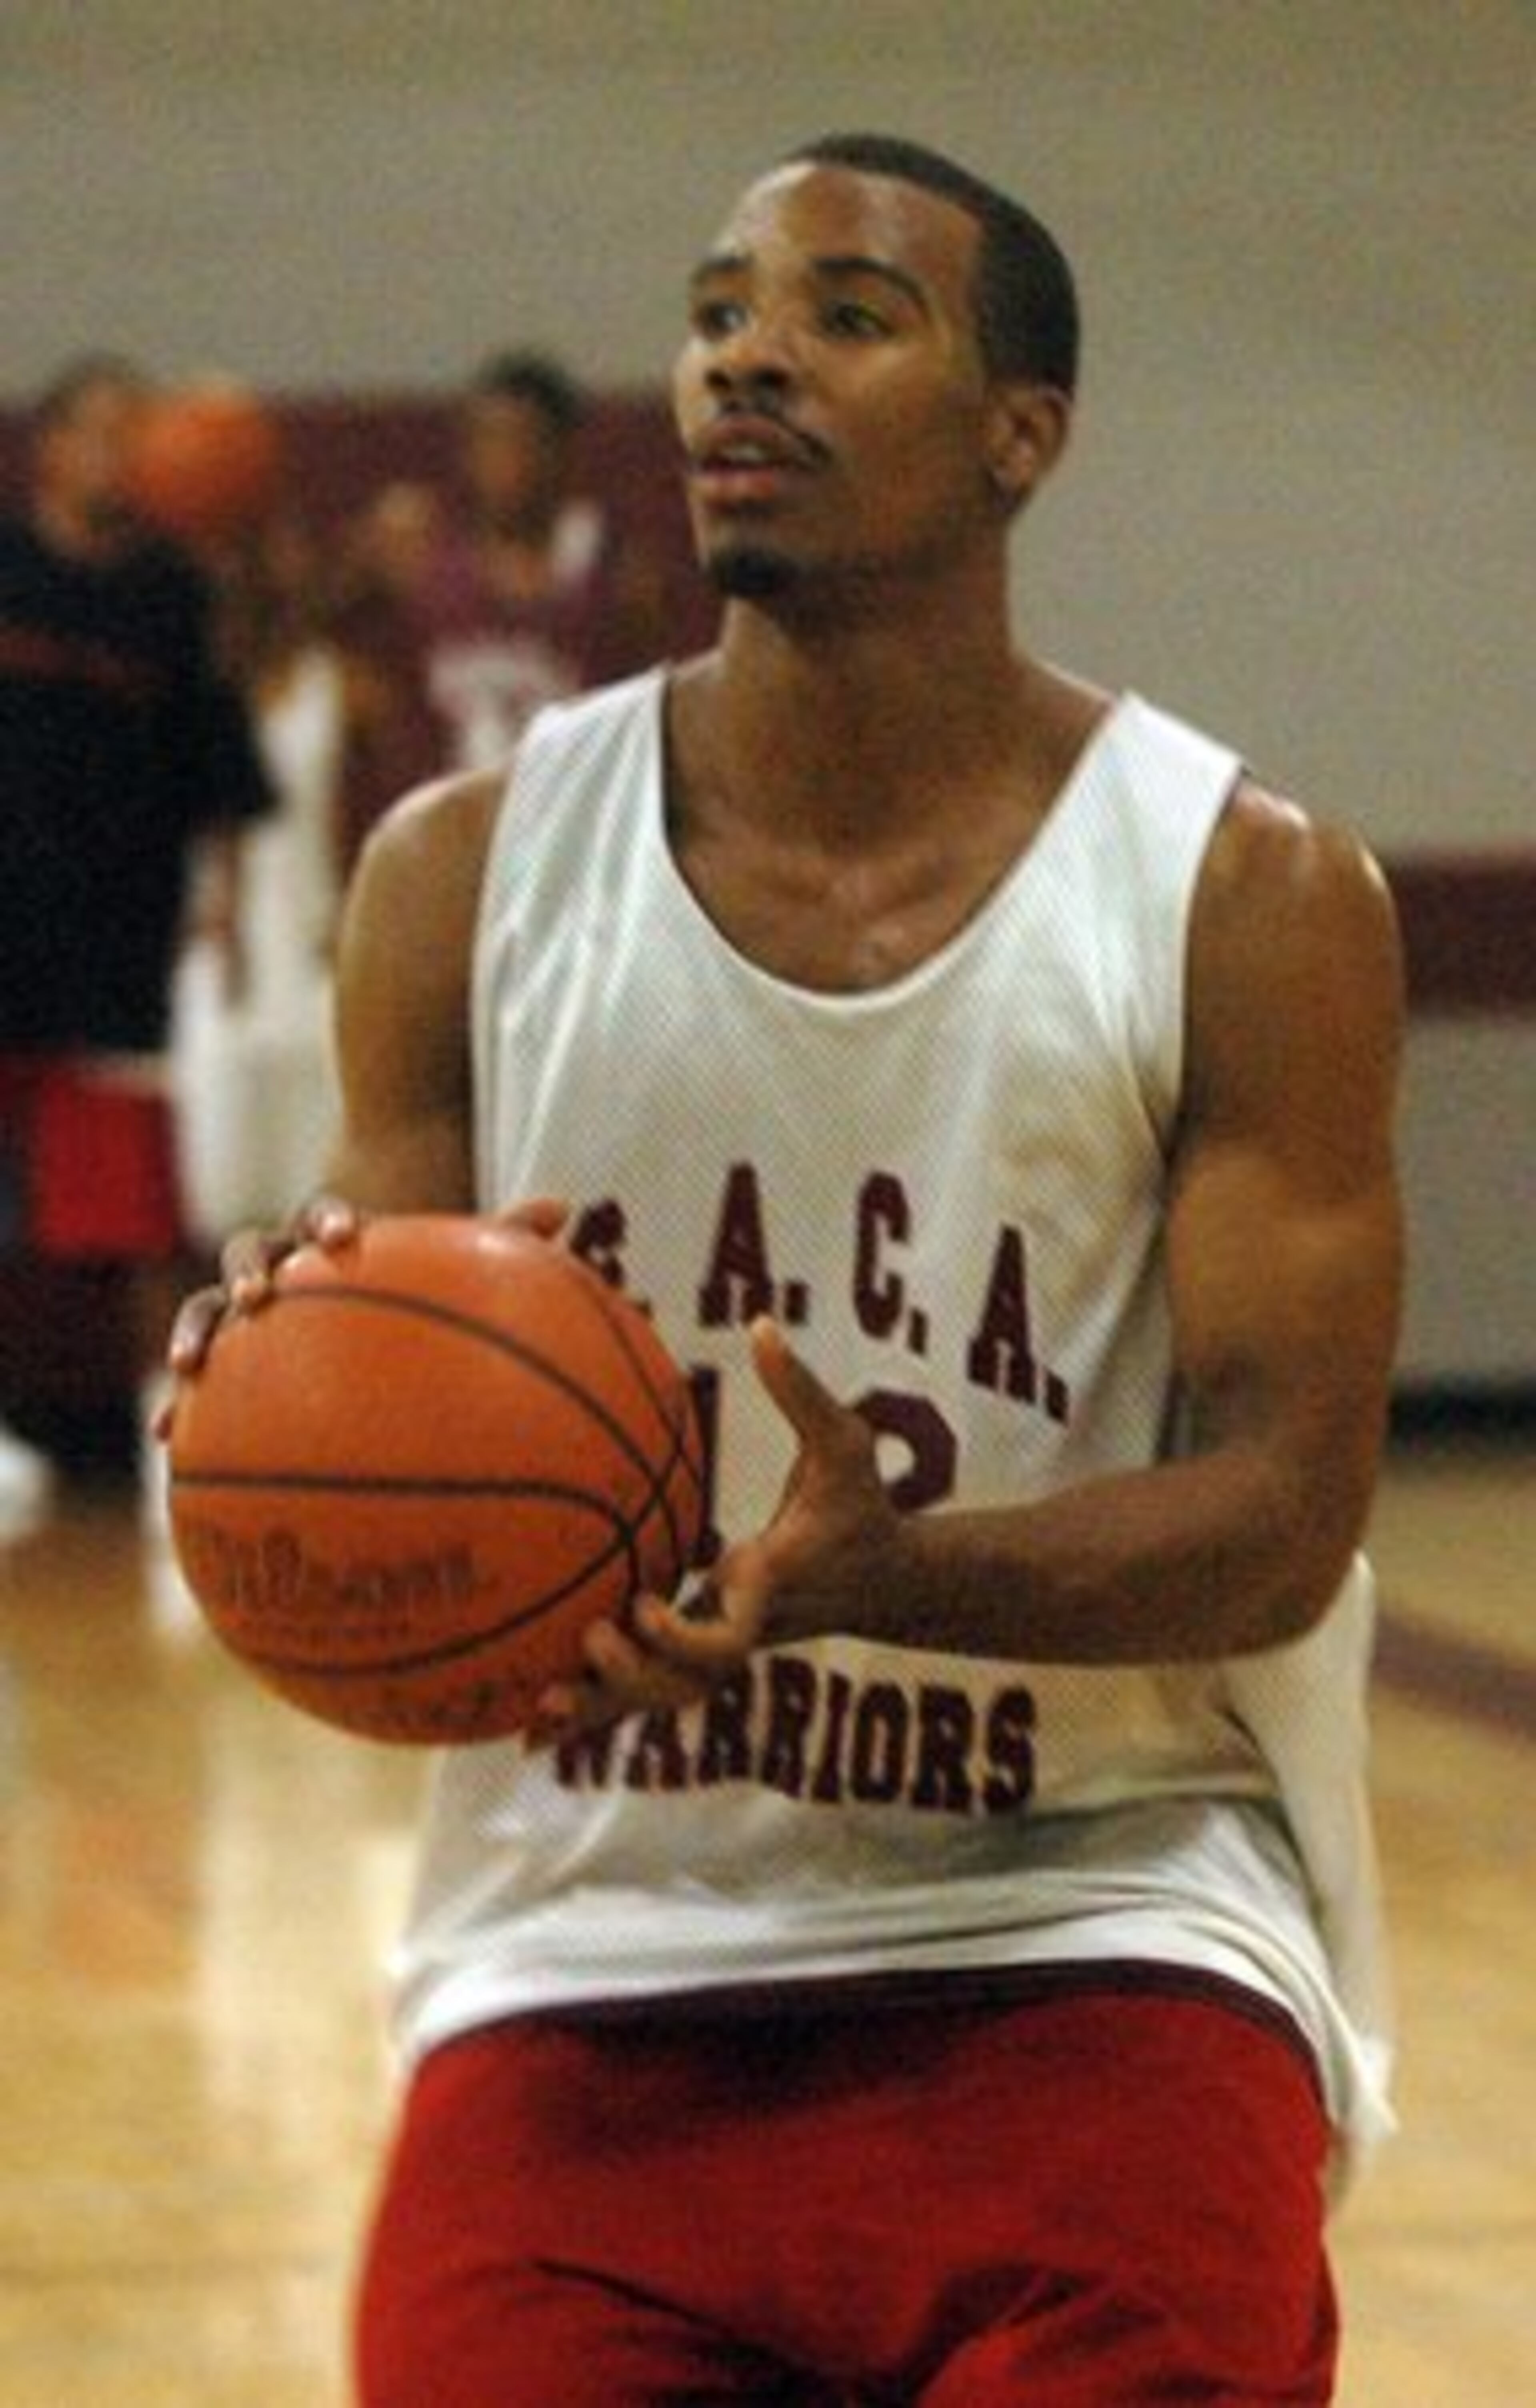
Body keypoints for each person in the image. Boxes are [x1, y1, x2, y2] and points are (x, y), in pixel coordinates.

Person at [173, 134, 1404, 2404]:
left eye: (847, 315)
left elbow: (1283, 1513)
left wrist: (867, 1574)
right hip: (595, 1943)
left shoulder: (1239, 896)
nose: (745, 353)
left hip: (1093, 1918)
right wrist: (275, 1420)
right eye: (719, 307)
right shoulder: (460, 878)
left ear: (1016, 432)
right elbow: (348, 1463)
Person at [0, 354, 272, 1496]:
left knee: (111, 1219)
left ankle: (109, 1440)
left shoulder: (172, 592)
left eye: (135, 428)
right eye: (96, 427)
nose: (119, 447)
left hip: (114, 945)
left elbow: (218, 771)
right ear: (48, 446)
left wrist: (226, 907)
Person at [330, 349, 674, 837]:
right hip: (455, 836)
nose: (505, 460)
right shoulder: (424, 556)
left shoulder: (612, 574)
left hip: (568, 833)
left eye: (523, 440)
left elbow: (654, 712)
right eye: (488, 439)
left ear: (561, 450)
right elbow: (308, 637)